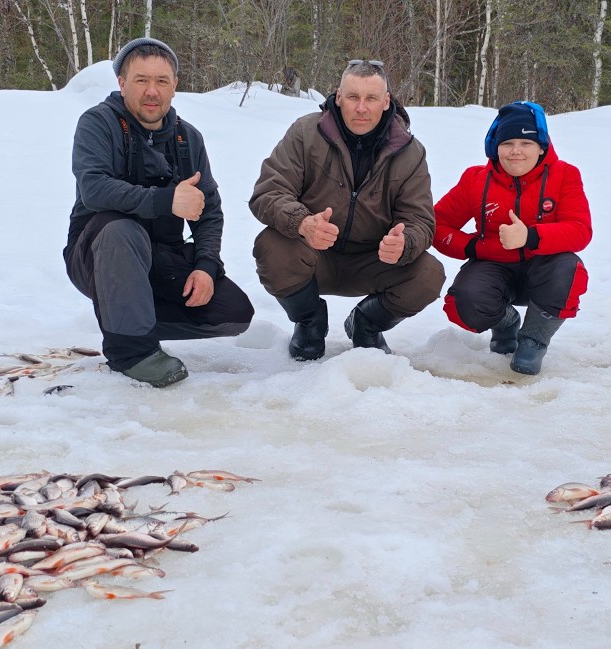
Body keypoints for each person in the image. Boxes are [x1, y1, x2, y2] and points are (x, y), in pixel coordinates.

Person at [64, 37, 253, 387]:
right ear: (122, 83)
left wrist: (206, 267)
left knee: (233, 313)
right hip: (96, 253)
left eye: (162, 81)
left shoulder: (187, 139)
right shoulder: (98, 124)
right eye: (141, 80)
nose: (152, 91)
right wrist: (167, 201)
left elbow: (208, 211)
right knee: (122, 230)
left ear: (174, 86)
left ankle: (125, 315)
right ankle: (132, 351)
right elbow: (94, 189)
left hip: (158, 258)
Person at [249, 60, 444, 360]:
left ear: (386, 101)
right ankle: (309, 322)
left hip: (375, 260)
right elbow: (268, 192)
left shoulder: (410, 152)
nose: (361, 108)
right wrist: (303, 223)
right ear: (338, 97)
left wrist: (405, 244)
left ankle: (366, 323)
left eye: (371, 98)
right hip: (314, 254)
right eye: (353, 97)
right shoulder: (305, 133)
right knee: (271, 247)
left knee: (429, 274)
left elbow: (420, 220)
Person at [432, 101, 591, 376]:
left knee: (569, 269)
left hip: (543, 270)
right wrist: (474, 245)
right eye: (507, 143)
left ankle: (533, 340)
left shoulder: (565, 175)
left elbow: (580, 230)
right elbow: (437, 224)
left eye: (526, 143)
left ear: (541, 146)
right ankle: (506, 323)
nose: (516, 151)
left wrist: (529, 236)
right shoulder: (475, 179)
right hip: (494, 265)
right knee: (463, 303)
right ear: (496, 146)